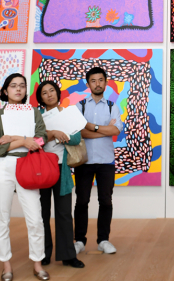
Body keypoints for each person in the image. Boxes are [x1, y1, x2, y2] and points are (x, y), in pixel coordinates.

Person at [0, 73, 49, 281]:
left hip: (29, 165)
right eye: (13, 86)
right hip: (2, 167)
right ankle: (6, 265)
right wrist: (24, 141)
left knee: (35, 219)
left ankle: (37, 263)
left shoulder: (34, 113)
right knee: (2, 217)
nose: (18, 89)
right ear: (5, 91)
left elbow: (41, 140)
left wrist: (13, 138)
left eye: (22, 86)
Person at [73, 67, 123, 255]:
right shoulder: (80, 106)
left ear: (106, 82)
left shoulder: (112, 106)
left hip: (106, 162)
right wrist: (103, 129)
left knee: (106, 201)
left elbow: (115, 131)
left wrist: (91, 127)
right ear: (88, 84)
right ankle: (79, 240)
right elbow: (78, 133)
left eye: (100, 80)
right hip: (83, 161)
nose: (97, 84)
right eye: (93, 81)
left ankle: (103, 240)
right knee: (81, 201)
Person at [36, 81, 84, 269]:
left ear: (58, 93)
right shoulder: (37, 116)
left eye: (52, 91)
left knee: (64, 213)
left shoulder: (68, 113)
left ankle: (67, 255)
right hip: (41, 169)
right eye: (44, 93)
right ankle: (43, 254)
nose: (49, 95)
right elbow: (35, 140)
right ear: (40, 98)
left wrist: (55, 135)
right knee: (42, 213)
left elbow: (76, 138)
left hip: (60, 168)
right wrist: (54, 133)